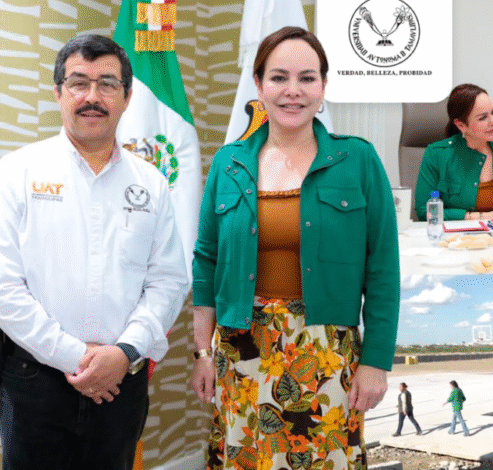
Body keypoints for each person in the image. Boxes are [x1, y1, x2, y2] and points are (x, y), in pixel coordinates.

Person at [189, 26, 399, 469]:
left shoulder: (358, 160)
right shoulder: (228, 163)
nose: (293, 91)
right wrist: (202, 353)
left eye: (307, 78)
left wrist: (376, 362)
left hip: (327, 353)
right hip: (242, 352)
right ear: (259, 85)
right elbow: (206, 262)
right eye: (279, 77)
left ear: (323, 86)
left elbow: (382, 269)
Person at [0, 35, 189, 470]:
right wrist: (75, 357)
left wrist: (124, 352)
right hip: (34, 384)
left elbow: (168, 281)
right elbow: (5, 286)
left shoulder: (152, 183)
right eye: (78, 83)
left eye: (107, 84)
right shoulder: (16, 173)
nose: (92, 97)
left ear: (127, 97)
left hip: (121, 384)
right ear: (58, 93)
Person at [414, 83, 493, 221]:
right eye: (483, 118)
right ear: (461, 125)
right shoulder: (436, 154)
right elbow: (425, 210)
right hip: (458, 233)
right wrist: (474, 217)